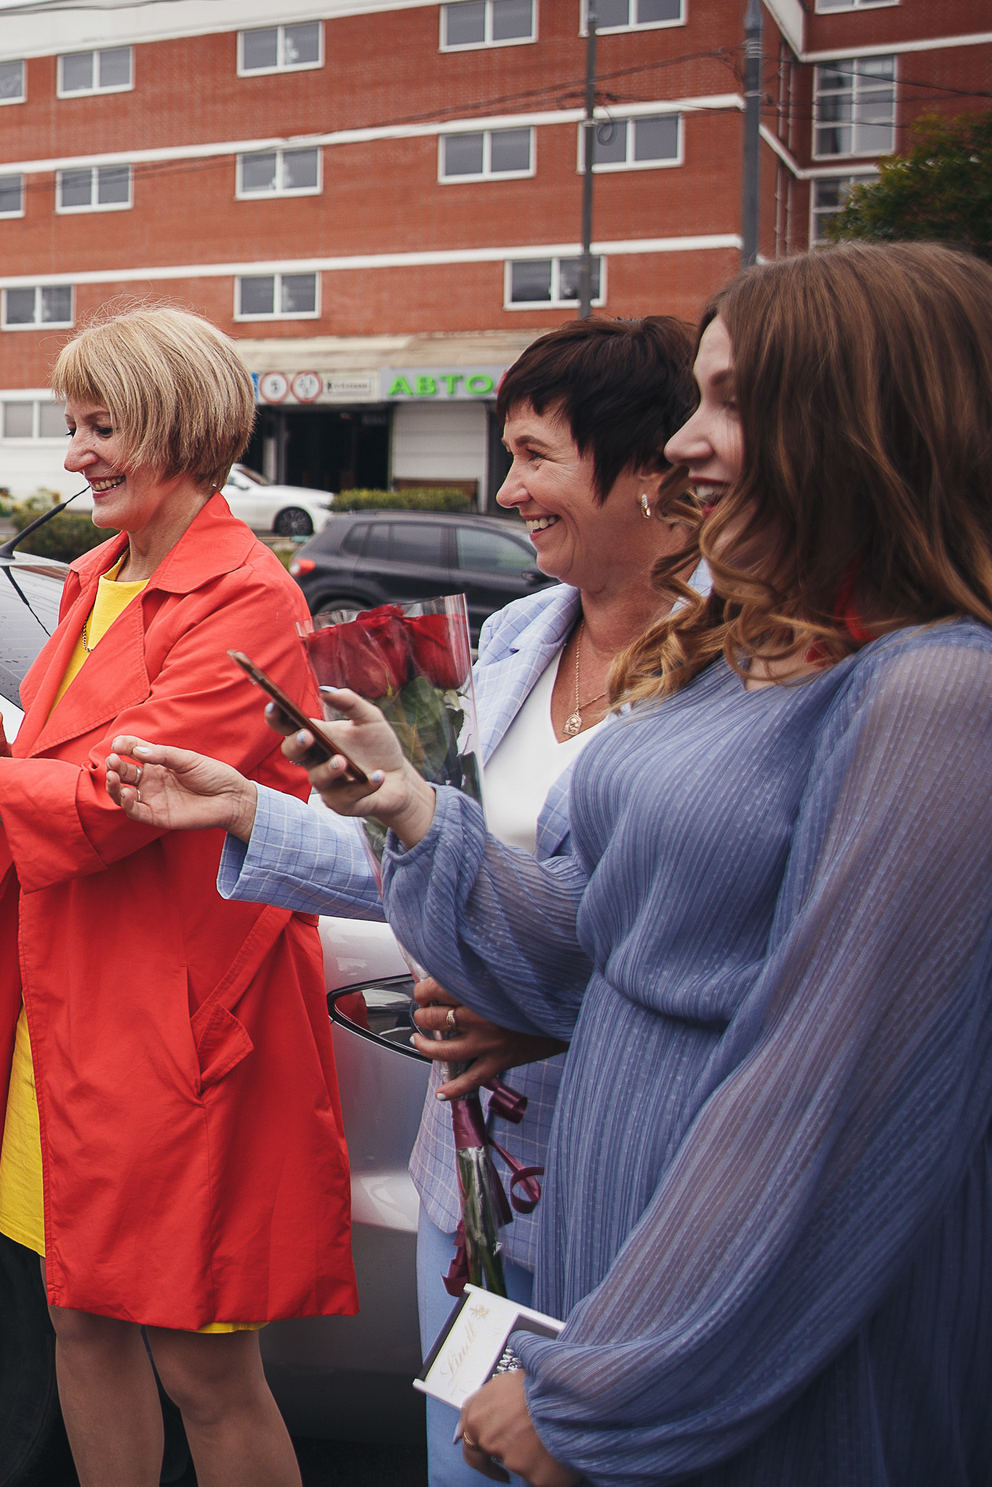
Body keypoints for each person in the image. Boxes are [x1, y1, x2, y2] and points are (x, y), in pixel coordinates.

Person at [275, 241, 992, 1483]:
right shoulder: (783, 656)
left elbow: (827, 1101)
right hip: (622, 1273)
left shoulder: (935, 693)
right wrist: (409, 815)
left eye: (729, 403)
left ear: (859, 424)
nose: (688, 445)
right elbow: (606, 948)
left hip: (742, 1351)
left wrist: (604, 1393)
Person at [104, 315, 700, 1483]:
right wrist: (248, 807)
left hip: (631, 1169)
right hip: (467, 1158)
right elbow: (436, 860)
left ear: (650, 468)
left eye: (534, 456)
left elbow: (722, 946)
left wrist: (553, 1019)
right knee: (459, 1455)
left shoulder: (743, 664)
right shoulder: (521, 634)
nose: (506, 487)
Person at [0, 306, 354, 1486]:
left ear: (181, 426)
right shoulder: (95, 575)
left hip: (179, 1033)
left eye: (102, 427)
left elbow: (99, 807)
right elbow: (43, 756)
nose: (75, 453)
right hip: (64, 1016)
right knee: (79, 1320)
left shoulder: (246, 603)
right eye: (73, 425)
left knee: (201, 1367)